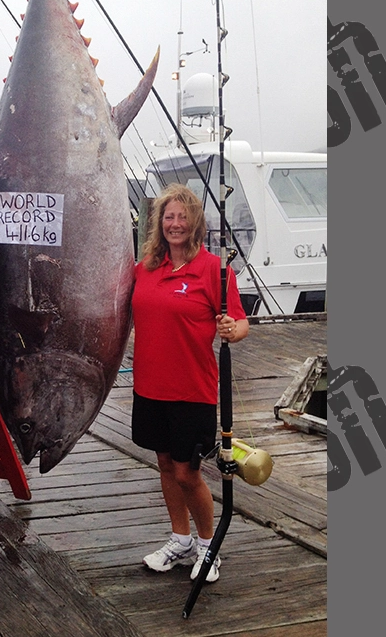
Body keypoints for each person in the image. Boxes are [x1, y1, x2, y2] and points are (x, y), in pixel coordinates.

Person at [131, 184, 249, 583]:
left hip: (192, 389)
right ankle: (180, 540)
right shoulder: (144, 268)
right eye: (168, 216)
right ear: (158, 223)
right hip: (149, 387)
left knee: (187, 472)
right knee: (164, 464)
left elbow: (241, 322)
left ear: (195, 222)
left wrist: (234, 329)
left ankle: (207, 545)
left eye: (182, 217)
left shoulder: (215, 270)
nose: (175, 224)